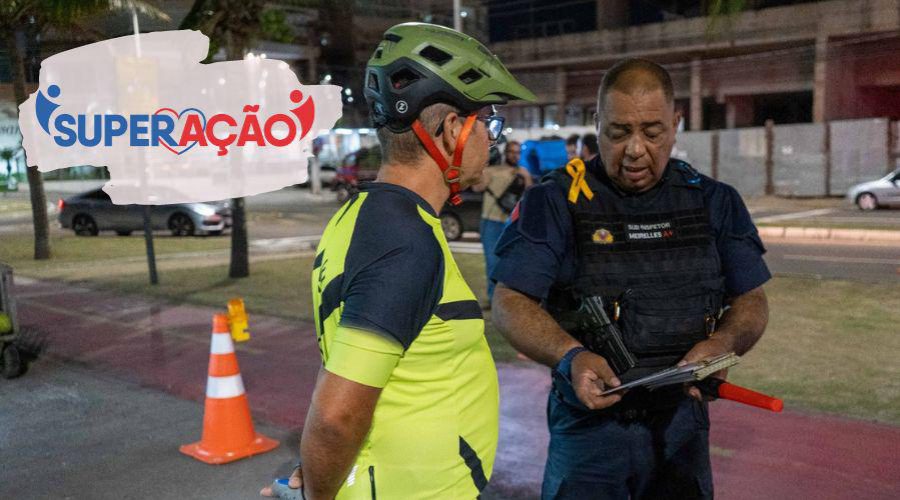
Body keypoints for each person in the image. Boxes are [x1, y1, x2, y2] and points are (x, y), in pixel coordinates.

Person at [260, 22, 535, 500]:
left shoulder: (366, 215)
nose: (491, 141)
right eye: (489, 125)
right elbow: (335, 416)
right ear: (454, 130)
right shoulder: (402, 239)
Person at [490, 58, 770, 499]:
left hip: (682, 426)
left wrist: (722, 345)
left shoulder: (715, 202)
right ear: (597, 125)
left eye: (652, 132)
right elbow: (509, 301)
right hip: (589, 431)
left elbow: (751, 300)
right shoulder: (555, 200)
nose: (636, 149)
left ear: (676, 125)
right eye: (618, 132)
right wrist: (570, 357)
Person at [473, 140, 533, 305]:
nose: (515, 155)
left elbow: (528, 197)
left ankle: (507, 299)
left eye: (517, 152)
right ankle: (494, 300)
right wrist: (481, 167)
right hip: (491, 221)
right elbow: (476, 188)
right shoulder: (492, 171)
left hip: (511, 223)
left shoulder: (524, 173)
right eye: (511, 151)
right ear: (505, 153)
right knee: (492, 262)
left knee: (511, 264)